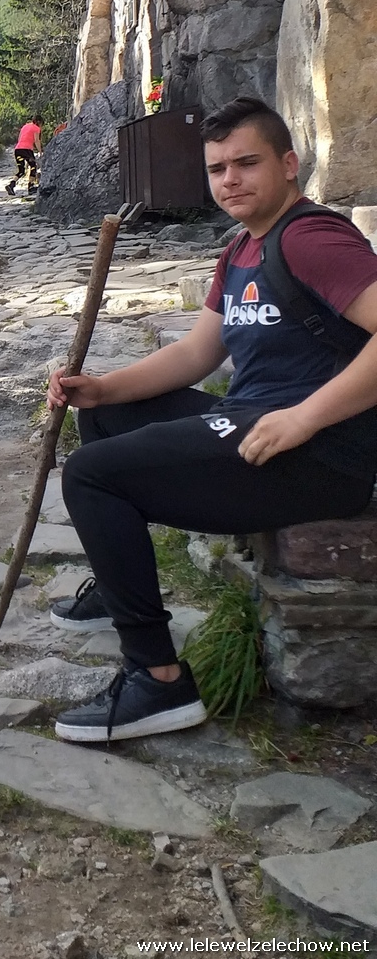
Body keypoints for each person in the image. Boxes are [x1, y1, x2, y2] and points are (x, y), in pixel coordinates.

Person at [45, 95, 377, 744]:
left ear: (288, 165)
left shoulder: (312, 239)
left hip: (318, 456)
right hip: (254, 424)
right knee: (109, 419)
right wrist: (103, 389)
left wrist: (305, 419)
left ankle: (158, 679)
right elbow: (197, 353)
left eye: (246, 163)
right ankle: (119, 585)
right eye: (218, 168)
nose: (230, 180)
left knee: (90, 475)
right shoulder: (242, 250)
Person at [6, 116, 42, 195]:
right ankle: (31, 186)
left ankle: (11, 185)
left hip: (18, 150)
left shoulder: (25, 126)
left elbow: (19, 139)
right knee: (33, 166)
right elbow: (37, 140)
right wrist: (40, 151)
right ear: (39, 122)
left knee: (21, 171)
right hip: (27, 150)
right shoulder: (36, 128)